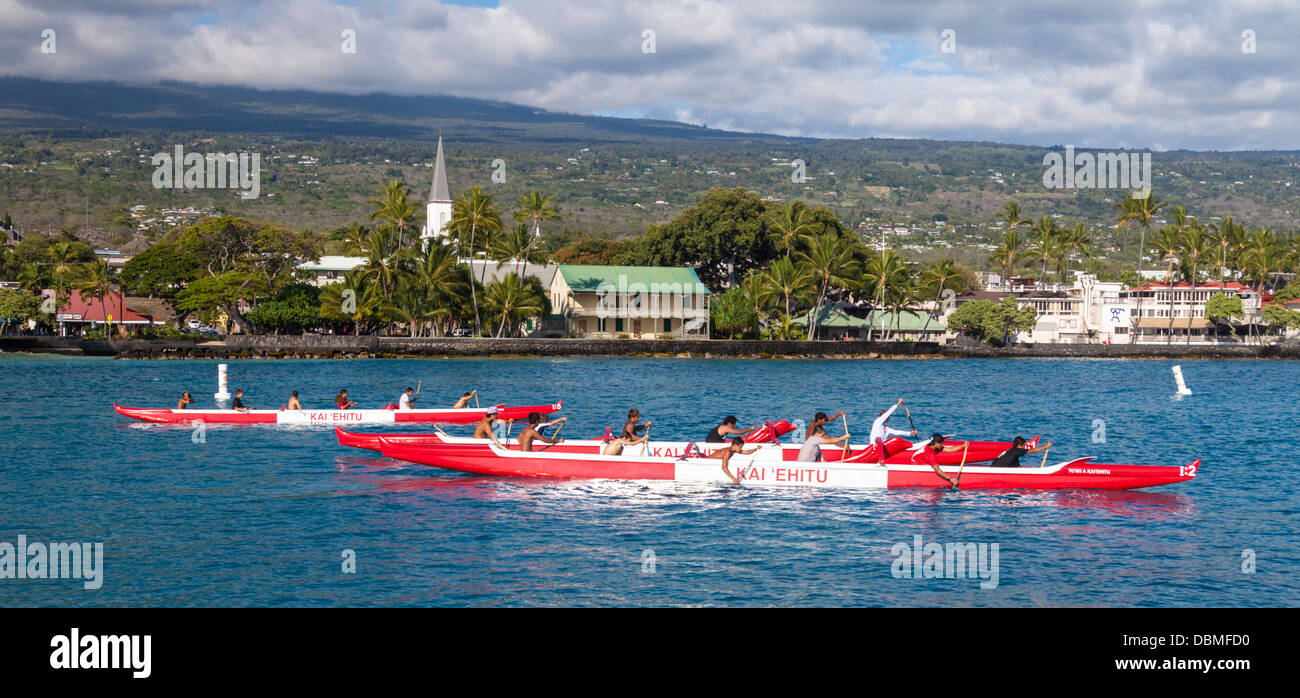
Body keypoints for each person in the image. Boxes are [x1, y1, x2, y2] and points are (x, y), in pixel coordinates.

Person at [989, 436, 1053, 468]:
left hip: (995, 467)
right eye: (1024, 446)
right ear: (1019, 446)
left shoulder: (1011, 451)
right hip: (997, 470)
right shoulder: (1016, 450)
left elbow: (1016, 467)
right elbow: (1031, 450)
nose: (1025, 447)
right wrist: (1045, 446)